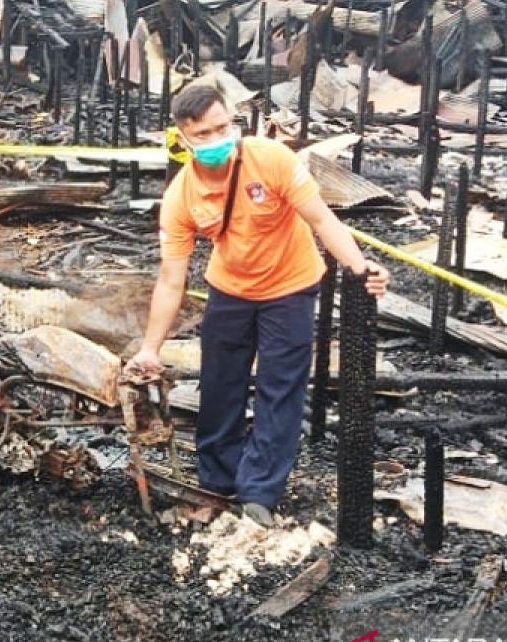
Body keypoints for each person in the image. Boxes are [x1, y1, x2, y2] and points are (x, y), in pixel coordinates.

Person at [125, 85, 390, 528]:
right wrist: (152, 348)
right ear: (183, 137)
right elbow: (172, 280)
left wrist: (361, 267)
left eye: (224, 127)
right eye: (204, 133)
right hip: (229, 290)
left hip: (291, 287)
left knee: (279, 389)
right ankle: (217, 480)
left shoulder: (272, 159)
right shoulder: (181, 198)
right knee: (220, 386)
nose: (218, 139)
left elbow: (323, 219)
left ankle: (260, 492)